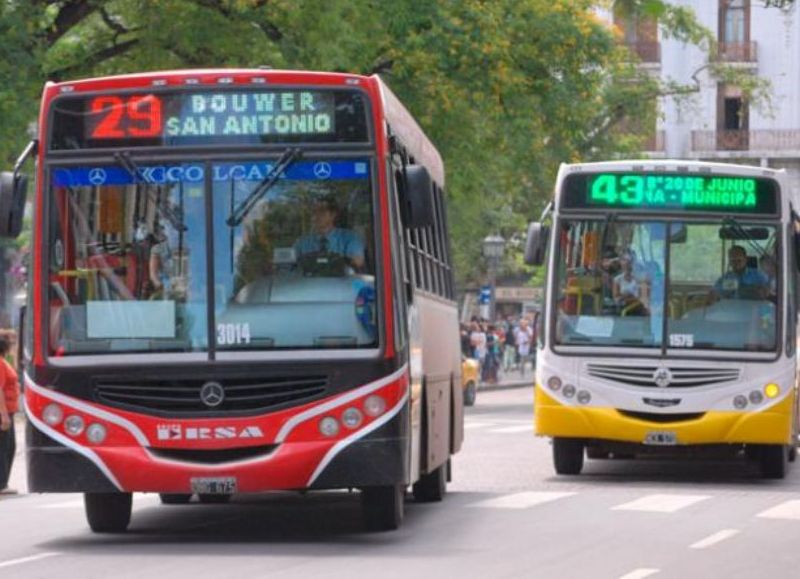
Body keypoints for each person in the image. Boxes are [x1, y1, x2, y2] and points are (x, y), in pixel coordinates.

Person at [294, 196, 365, 271]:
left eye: (322, 211)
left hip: (340, 281)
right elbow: (289, 264)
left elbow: (358, 262)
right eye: (314, 212)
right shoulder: (302, 242)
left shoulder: (350, 237)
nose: (316, 216)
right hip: (309, 281)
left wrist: (334, 260)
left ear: (333, 214)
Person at [0, 336, 20, 494]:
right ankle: (1, 484)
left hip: (8, 409)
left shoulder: (4, 362)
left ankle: (3, 483)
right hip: (3, 411)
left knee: (8, 446)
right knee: (5, 447)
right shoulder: (0, 364)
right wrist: (4, 415)